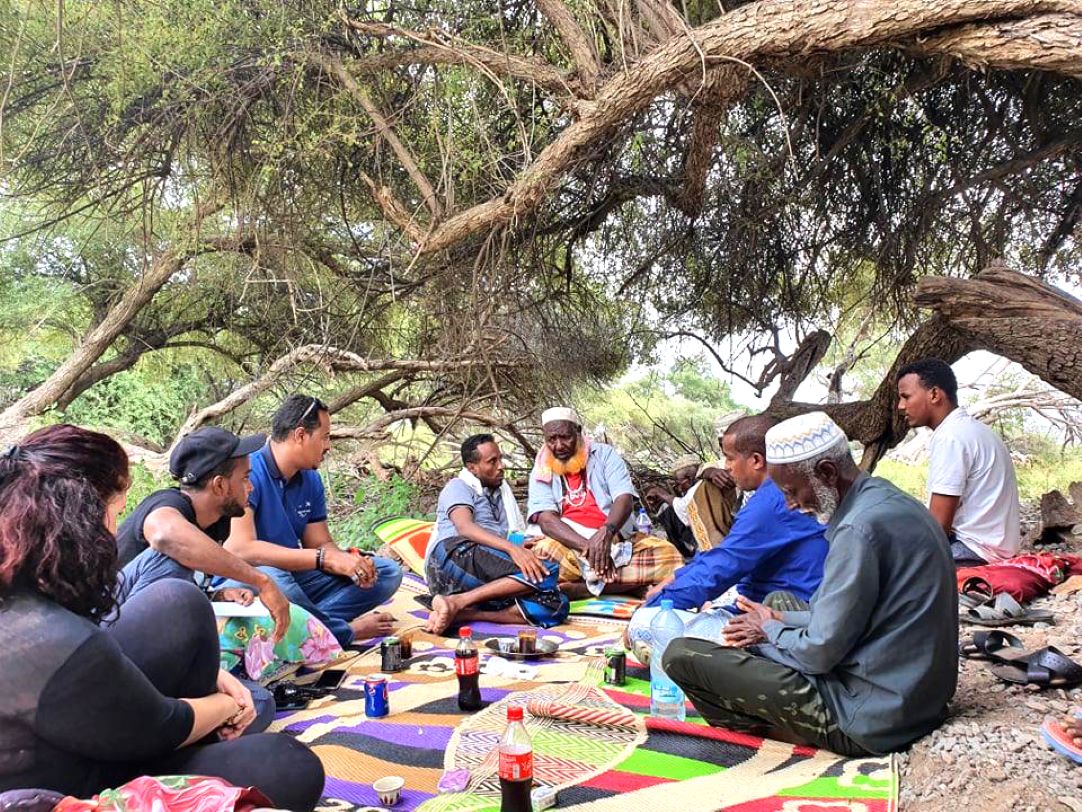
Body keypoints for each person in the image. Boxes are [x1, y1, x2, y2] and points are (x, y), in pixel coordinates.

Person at [0, 425, 324, 810]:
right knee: (289, 764)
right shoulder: (52, 638)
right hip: (71, 785)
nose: (115, 529)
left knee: (181, 601)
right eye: (116, 512)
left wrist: (218, 679)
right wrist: (226, 707)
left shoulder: (28, 592)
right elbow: (162, 726)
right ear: (80, 522)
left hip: (87, 724)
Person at [663, 412, 958, 756]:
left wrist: (768, 633)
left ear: (827, 473)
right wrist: (777, 621)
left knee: (682, 655)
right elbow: (834, 614)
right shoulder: (882, 498)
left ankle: (768, 729)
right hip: (916, 696)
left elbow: (819, 652)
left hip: (872, 718)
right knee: (779, 603)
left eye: (791, 491)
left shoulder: (856, 531)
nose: (790, 504)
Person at [631, 415, 828, 646]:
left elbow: (719, 569)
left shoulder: (772, 501)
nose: (726, 467)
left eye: (730, 458)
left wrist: (657, 604)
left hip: (782, 616)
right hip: (780, 602)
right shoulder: (778, 493)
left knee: (643, 624)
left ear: (756, 460)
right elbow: (724, 554)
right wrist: (672, 580)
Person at [224, 395, 403, 648]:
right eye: (325, 437)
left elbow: (319, 542)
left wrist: (348, 562)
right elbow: (241, 549)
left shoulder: (310, 478)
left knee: (386, 572)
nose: (328, 446)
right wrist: (324, 559)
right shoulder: (249, 470)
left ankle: (302, 625)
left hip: (295, 576)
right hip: (250, 578)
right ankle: (339, 632)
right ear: (300, 435)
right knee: (274, 577)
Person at [115, 426, 290, 641]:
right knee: (171, 557)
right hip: (107, 629)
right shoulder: (169, 504)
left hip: (139, 621)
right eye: (245, 478)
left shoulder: (218, 522)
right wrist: (261, 581)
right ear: (220, 485)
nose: (251, 487)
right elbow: (164, 536)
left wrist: (216, 595)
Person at [527, 407, 682, 598]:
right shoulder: (542, 466)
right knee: (541, 555)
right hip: (570, 544)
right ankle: (625, 584)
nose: (558, 446)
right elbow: (546, 520)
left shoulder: (604, 455)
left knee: (668, 554)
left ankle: (581, 589)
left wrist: (606, 534)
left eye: (565, 437)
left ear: (578, 431)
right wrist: (590, 548)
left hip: (613, 538)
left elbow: (624, 499)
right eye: (551, 439)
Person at [424, 434, 569, 633]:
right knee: (547, 571)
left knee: (557, 605)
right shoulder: (458, 486)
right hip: (452, 559)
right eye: (492, 461)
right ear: (472, 467)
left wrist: (521, 545)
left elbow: (504, 535)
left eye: (500, 459)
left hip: (481, 570)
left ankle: (463, 612)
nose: (501, 466)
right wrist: (512, 549)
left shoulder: (500, 493)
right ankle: (459, 601)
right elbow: (464, 527)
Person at [896, 358, 1021, 566]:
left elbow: (939, 527)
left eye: (906, 397)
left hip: (975, 553)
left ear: (934, 394)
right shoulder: (972, 429)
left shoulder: (951, 438)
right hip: (998, 548)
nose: (901, 406)